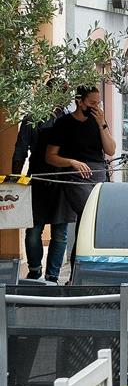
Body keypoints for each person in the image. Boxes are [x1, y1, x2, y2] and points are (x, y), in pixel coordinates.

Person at [44, 87, 116, 266]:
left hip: (98, 174)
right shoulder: (64, 123)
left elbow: (111, 150)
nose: (96, 107)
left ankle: (89, 266)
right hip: (75, 176)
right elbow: (50, 156)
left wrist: (102, 124)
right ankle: (78, 267)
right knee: (87, 215)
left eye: (98, 103)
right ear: (80, 101)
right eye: (92, 103)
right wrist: (72, 162)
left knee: (96, 219)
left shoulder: (98, 121)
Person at [13, 101, 68, 283]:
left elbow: (20, 152)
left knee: (48, 231)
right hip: (47, 179)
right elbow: (20, 151)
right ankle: (42, 273)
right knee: (40, 230)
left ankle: (45, 274)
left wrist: (16, 177)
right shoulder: (34, 119)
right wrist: (15, 179)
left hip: (57, 178)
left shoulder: (67, 119)